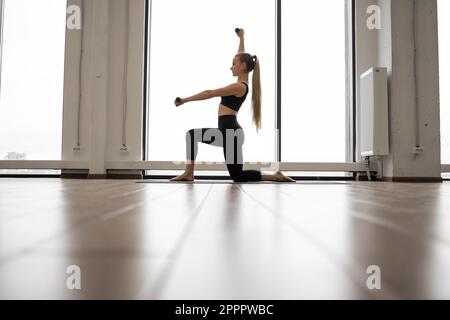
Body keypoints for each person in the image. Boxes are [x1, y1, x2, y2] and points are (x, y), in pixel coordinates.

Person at [170, 28, 295, 183]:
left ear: (242, 66)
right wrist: (241, 37)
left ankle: (275, 176)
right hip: (227, 132)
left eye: (233, 64)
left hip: (231, 133)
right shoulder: (242, 81)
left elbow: (210, 93)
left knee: (238, 176)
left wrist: (185, 100)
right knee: (192, 135)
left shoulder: (239, 87)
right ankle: (189, 173)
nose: (231, 67)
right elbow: (241, 56)